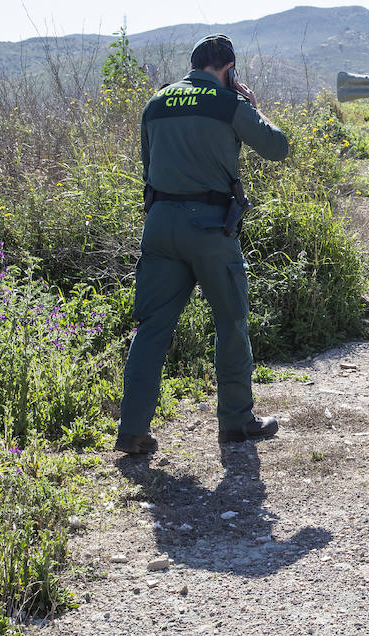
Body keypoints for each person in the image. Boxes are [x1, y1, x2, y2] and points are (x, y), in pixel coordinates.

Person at [115, 35, 290, 455]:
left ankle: (132, 431)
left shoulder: (156, 102)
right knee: (230, 322)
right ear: (228, 70)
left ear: (192, 65)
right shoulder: (230, 103)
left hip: (158, 226)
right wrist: (250, 104)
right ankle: (235, 422)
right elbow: (277, 147)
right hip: (210, 228)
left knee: (151, 330)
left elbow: (148, 166)